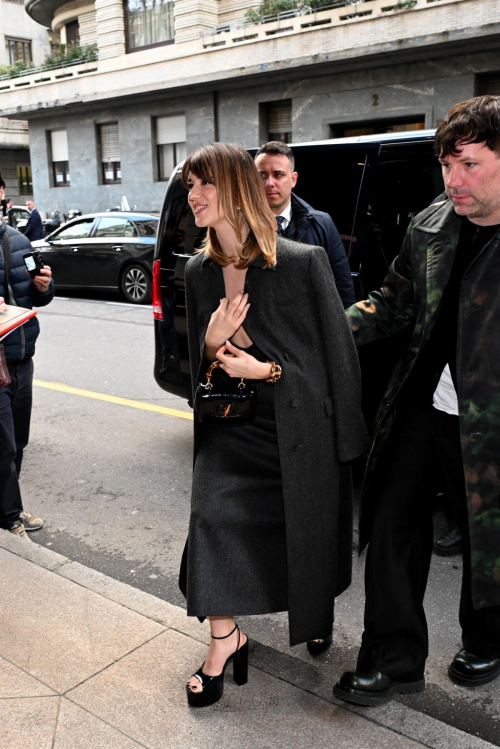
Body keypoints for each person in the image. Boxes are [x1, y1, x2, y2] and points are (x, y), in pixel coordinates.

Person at [178, 143, 368, 708]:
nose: (193, 196)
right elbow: (200, 375)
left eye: (204, 184)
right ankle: (223, 642)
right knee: (210, 519)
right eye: (189, 185)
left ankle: (311, 613)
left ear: (236, 188)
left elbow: (338, 363)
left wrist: (269, 369)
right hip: (230, 428)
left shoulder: (302, 262)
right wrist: (214, 342)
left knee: (304, 534)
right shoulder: (197, 272)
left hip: (294, 429)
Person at [333, 95, 500, 707]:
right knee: (390, 523)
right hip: (422, 405)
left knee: (489, 539)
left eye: (469, 165)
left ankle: (488, 636)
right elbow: (390, 302)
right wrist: (323, 328)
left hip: (491, 425)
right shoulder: (431, 224)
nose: (452, 180)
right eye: (445, 165)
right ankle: (392, 659)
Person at [0, 172, 54, 539]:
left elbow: (43, 290)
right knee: (2, 444)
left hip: (22, 357)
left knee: (18, 441)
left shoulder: (19, 242)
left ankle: (9, 505)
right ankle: (9, 518)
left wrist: (45, 285)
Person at [254, 142, 356, 308]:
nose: (270, 183)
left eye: (278, 175)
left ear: (293, 179)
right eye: (262, 176)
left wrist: (344, 331)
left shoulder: (322, 224)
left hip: (309, 331)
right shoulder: (238, 227)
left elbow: (342, 288)